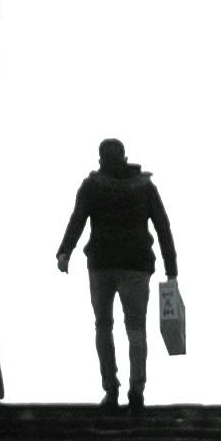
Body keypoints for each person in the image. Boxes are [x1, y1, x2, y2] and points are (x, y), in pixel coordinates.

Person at [54, 137, 177, 407]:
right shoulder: (145, 186)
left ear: (100, 159)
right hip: (136, 264)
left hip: (101, 263)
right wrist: (171, 269)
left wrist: (65, 252)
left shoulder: (92, 186)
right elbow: (163, 227)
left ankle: (111, 388)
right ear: (124, 157)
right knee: (136, 328)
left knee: (103, 325)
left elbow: (77, 219)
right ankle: (137, 388)